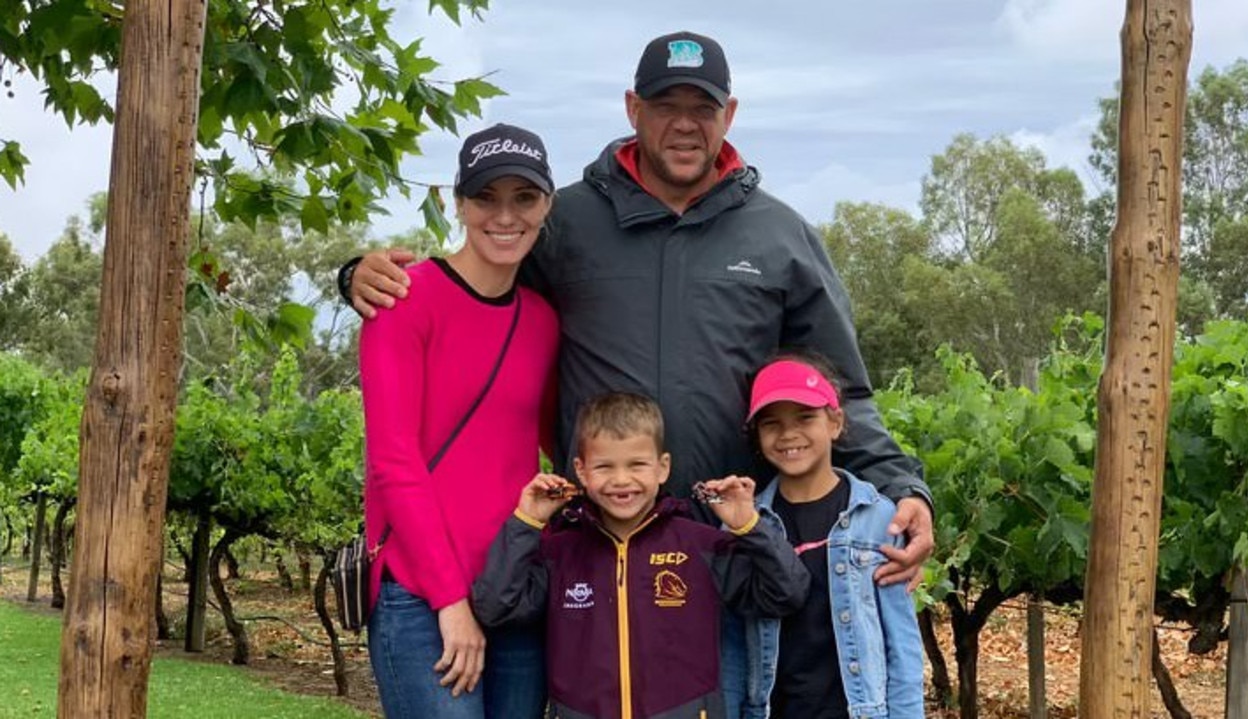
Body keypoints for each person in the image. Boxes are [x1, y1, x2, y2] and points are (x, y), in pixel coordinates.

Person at [343, 30, 936, 716]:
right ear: (631, 108)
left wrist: (899, 483)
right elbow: (480, 272)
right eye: (663, 104)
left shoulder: (780, 237)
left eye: (702, 106)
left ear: (730, 114)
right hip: (586, 561)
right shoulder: (568, 221)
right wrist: (361, 275)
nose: (683, 123)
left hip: (719, 558)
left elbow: (838, 388)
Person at [359, 123, 559, 719]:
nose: (505, 215)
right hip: (423, 595)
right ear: (458, 203)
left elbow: (549, 439)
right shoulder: (402, 301)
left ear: (546, 205)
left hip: (515, 591)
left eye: (523, 198)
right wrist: (450, 601)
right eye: (486, 197)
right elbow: (394, 463)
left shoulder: (544, 320)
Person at [472, 391, 810, 719]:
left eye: (637, 464)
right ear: (581, 470)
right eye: (604, 466)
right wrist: (527, 521)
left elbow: (786, 593)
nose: (621, 480)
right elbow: (495, 606)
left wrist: (749, 525)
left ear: (662, 468)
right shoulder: (559, 552)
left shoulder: (702, 546)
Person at [742, 354, 924, 718]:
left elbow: (901, 645)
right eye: (772, 423)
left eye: (805, 417)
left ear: (835, 422)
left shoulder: (879, 519)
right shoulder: (748, 524)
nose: (788, 433)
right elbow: (733, 644)